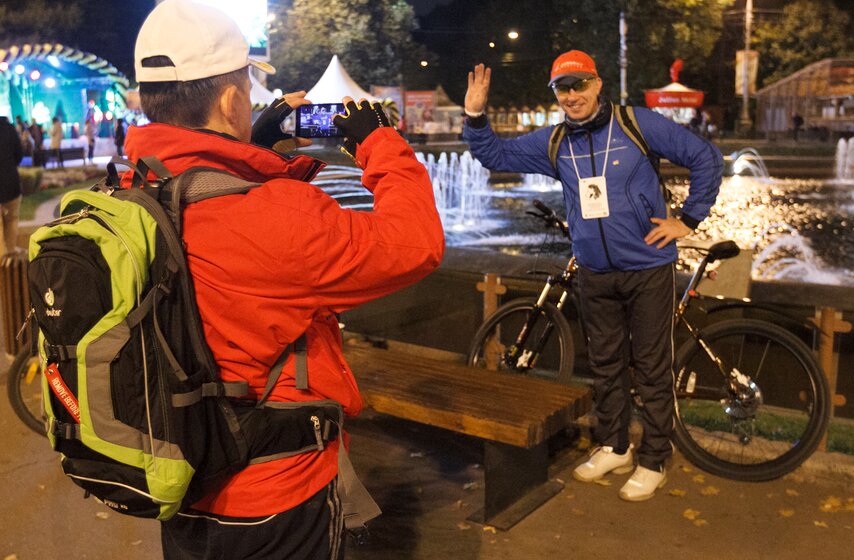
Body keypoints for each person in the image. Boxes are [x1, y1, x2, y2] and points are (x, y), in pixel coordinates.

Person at [127, 1, 444, 558]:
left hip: (176, 472)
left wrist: (247, 149)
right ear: (229, 100)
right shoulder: (273, 216)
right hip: (271, 494)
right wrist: (379, 142)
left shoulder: (135, 188)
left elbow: (208, 210)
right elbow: (415, 245)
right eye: (246, 93)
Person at [462, 51, 722, 501]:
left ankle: (655, 458)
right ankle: (614, 445)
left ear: (598, 84)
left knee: (653, 368)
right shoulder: (555, 142)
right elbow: (494, 154)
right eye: (562, 89)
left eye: (579, 85)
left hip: (647, 269)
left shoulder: (637, 125)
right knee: (604, 365)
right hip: (596, 273)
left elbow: (705, 157)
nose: (572, 95)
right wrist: (474, 113)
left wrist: (689, 219)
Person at [0, 115, 24, 255]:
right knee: (12, 218)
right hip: (11, 183)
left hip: (9, 183)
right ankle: (10, 250)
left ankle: (2, 256)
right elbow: (19, 155)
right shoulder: (9, 129)